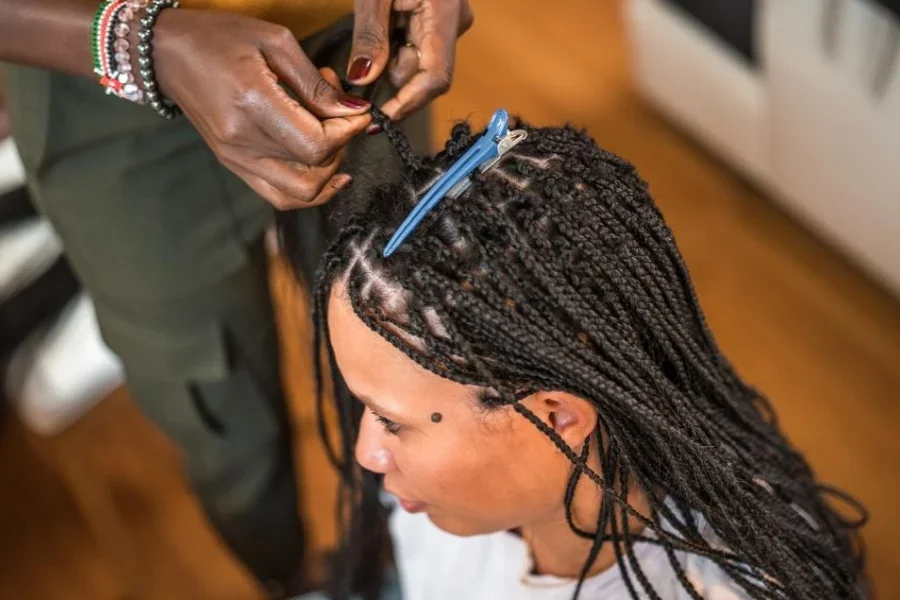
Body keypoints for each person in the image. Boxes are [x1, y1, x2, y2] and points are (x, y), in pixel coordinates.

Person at [278, 116, 869, 600]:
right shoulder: (435, 512)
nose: (367, 454)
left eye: (392, 422)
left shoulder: (723, 587)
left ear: (557, 415)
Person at [0, 0, 471, 597]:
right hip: (97, 83)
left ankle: (401, 546)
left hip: (359, 32)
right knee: (214, 400)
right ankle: (291, 577)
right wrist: (148, 45)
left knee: (407, 344)